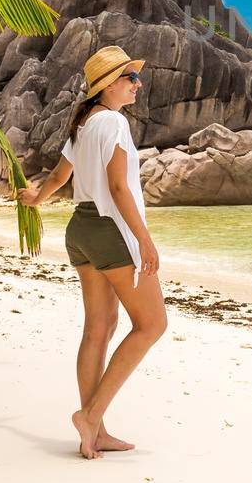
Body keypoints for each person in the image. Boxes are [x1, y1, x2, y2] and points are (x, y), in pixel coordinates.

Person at [20, 45, 167, 459]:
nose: (137, 84)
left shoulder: (82, 124)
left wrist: (35, 199)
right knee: (152, 324)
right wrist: (144, 238)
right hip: (110, 231)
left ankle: (95, 431)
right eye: (130, 78)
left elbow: (59, 176)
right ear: (108, 85)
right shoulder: (114, 124)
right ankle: (92, 416)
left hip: (80, 229)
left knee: (97, 330)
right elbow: (119, 188)